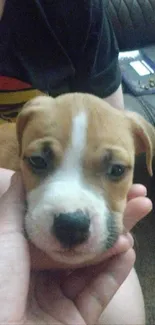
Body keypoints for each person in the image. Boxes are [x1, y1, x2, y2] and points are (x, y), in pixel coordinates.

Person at [0, 1, 152, 324]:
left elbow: (115, 120)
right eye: (41, 162)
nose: (72, 213)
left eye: (114, 171)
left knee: (124, 317)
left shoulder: (71, 9)